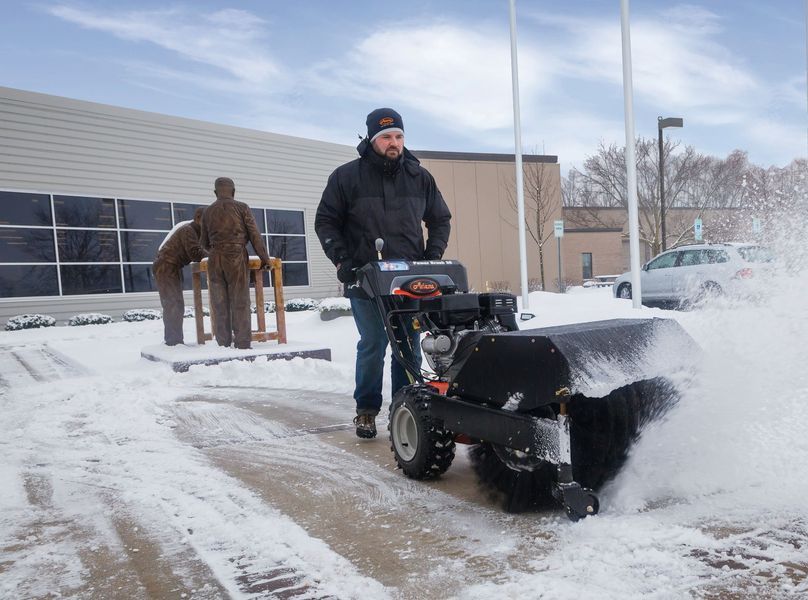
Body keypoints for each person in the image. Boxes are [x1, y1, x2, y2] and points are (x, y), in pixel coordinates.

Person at [315, 108, 451, 439]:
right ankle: (366, 410)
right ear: (372, 139)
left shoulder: (420, 177)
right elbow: (326, 221)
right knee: (374, 343)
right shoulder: (346, 177)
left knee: (408, 347)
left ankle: (403, 411)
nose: (394, 143)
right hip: (365, 279)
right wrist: (341, 260)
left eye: (399, 137)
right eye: (387, 137)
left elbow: (440, 219)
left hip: (409, 282)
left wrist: (431, 258)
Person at [199, 177, 271, 349]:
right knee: (240, 299)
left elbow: (203, 243)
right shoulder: (242, 207)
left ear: (216, 192)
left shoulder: (208, 212)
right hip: (236, 255)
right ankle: (242, 342)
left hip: (215, 257)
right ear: (233, 191)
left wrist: (216, 249)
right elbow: (254, 235)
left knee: (219, 301)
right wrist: (264, 259)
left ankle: (222, 343)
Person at [153, 207, 207, 346]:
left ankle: (175, 341)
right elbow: (195, 253)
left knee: (176, 303)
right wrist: (214, 255)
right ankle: (173, 342)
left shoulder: (198, 233)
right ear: (198, 218)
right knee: (173, 303)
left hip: (172, 267)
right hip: (165, 266)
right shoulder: (188, 230)